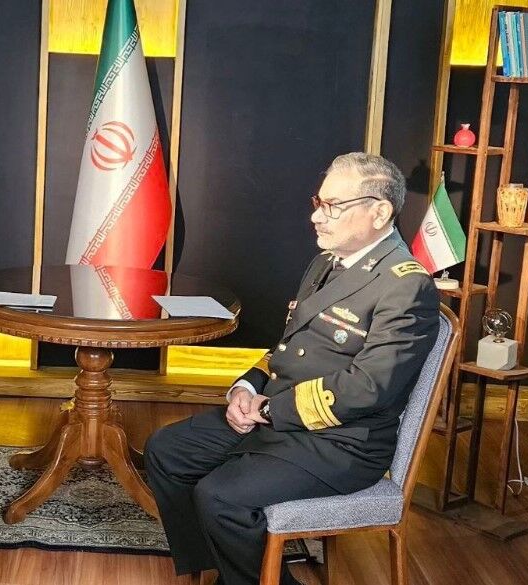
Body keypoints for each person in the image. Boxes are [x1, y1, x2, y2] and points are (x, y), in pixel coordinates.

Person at [144, 152, 440, 585]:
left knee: (221, 497)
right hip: (279, 416)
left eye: (333, 206)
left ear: (379, 212)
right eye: (319, 203)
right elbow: (289, 348)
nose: (317, 217)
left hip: (340, 443)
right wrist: (247, 387)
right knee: (167, 450)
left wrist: (268, 410)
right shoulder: (326, 262)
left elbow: (369, 387)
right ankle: (222, 568)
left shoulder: (406, 285)